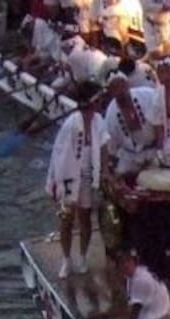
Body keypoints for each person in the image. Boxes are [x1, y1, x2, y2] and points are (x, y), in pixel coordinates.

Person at [46, 80, 108, 279]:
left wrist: (104, 171)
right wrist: (57, 181)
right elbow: (59, 153)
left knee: (85, 218)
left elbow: (104, 145)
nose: (100, 103)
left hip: (90, 172)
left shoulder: (99, 120)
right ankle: (66, 259)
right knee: (66, 219)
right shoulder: (71, 123)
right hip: (69, 174)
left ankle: (82, 256)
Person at [114, 248, 170, 319]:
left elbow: (135, 311)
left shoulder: (140, 280)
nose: (125, 265)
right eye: (121, 263)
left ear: (134, 261)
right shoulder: (137, 273)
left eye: (128, 261)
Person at [102, 69, 160, 180]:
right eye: (115, 88)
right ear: (111, 92)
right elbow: (111, 147)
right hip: (129, 156)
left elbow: (161, 121)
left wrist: (160, 147)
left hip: (155, 151)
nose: (120, 91)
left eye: (122, 86)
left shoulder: (148, 95)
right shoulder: (111, 115)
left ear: (127, 85)